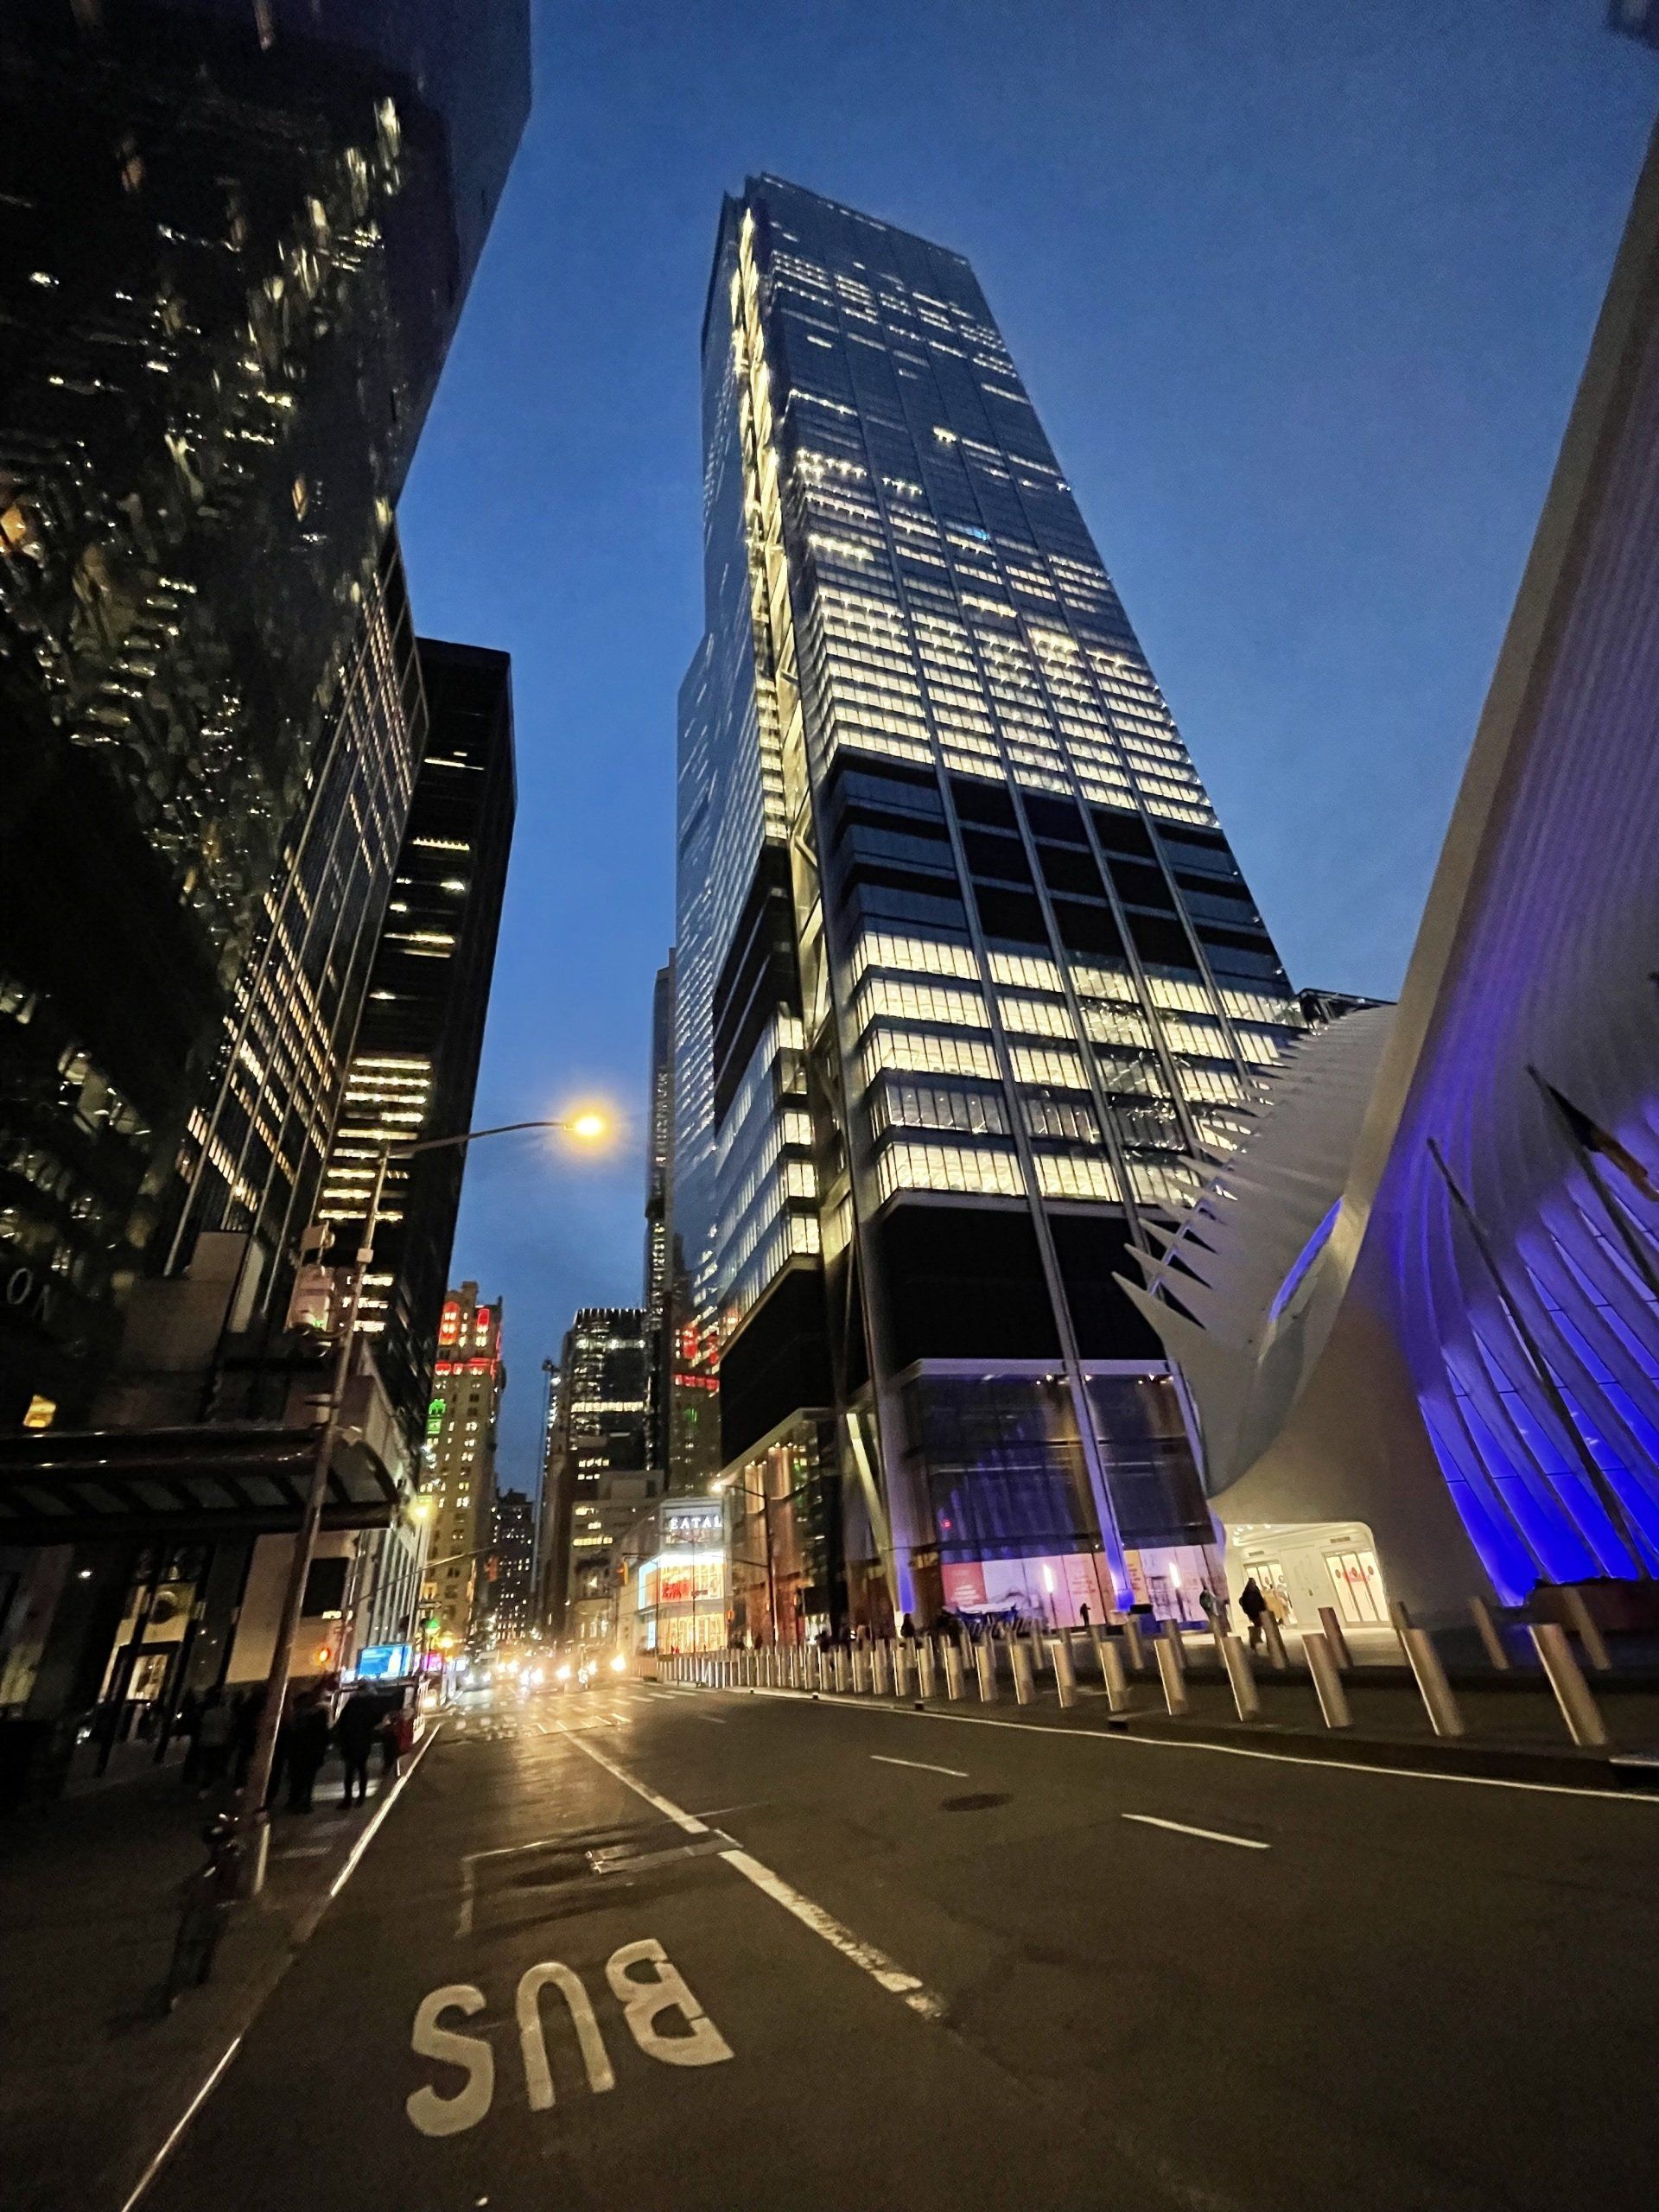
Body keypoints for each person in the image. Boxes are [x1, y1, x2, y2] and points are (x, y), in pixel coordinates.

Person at [334, 1685, 382, 1808]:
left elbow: (342, 1721)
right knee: (361, 1769)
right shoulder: (370, 1705)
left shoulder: (352, 1703)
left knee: (350, 1770)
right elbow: (375, 1720)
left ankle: (348, 1799)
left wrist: (339, 1737)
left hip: (351, 1739)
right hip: (362, 1740)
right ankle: (360, 1798)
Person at [284, 1691, 331, 1815]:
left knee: (298, 1779)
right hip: (312, 1753)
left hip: (300, 1752)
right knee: (308, 1779)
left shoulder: (300, 1717)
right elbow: (325, 1736)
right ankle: (304, 1802)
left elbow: (293, 1734)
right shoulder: (320, 1716)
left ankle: (295, 1801)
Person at [194, 1690, 233, 1793]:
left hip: (207, 1742)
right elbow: (228, 1727)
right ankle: (208, 1784)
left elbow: (203, 1726)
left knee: (207, 1764)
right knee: (214, 1764)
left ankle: (204, 1783)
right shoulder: (226, 1714)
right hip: (219, 1742)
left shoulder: (208, 1713)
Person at [1239, 1577, 1268, 1651]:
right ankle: (1255, 1640)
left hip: (1257, 1612)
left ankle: (1255, 1640)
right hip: (1255, 1612)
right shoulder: (1250, 1592)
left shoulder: (1249, 1592)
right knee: (1259, 1626)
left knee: (1260, 1626)